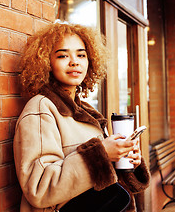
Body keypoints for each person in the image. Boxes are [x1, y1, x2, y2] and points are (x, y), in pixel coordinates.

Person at [13, 22, 150, 212]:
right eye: (62, 55)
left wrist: (123, 159)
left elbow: (98, 179)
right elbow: (39, 189)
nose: (74, 62)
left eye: (81, 54)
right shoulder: (41, 108)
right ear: (47, 63)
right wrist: (101, 154)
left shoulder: (85, 111)